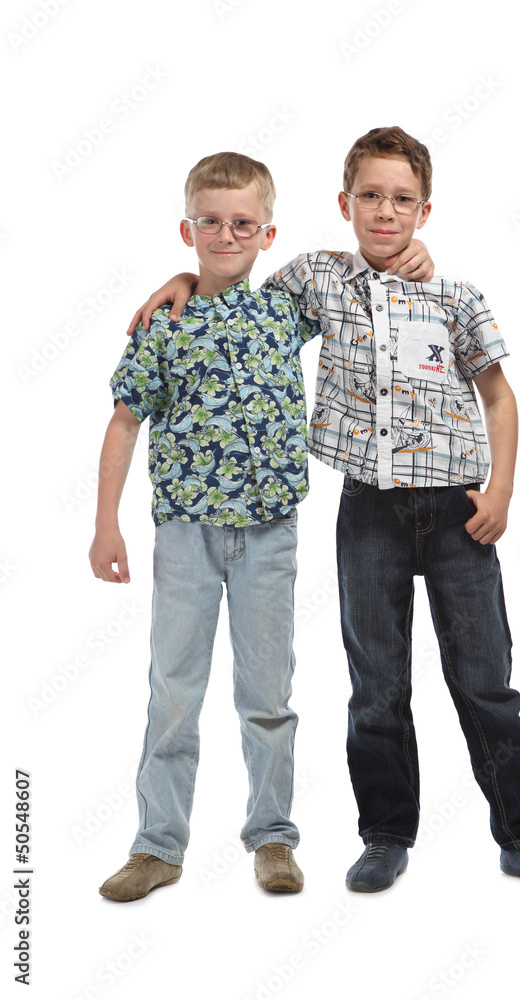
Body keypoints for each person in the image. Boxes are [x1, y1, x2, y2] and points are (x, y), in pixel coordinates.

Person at [127, 127, 520, 894]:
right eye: (369, 196)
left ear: (424, 211)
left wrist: (501, 490)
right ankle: (384, 836)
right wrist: (180, 276)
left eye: (401, 200)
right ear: (344, 204)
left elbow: (498, 396)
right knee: (376, 685)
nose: (384, 211)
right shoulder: (316, 279)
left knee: (484, 680)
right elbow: (236, 296)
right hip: (368, 512)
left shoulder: (454, 297)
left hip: (457, 513)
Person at [90, 151, 317, 900]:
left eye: (243, 223)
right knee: (174, 691)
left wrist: (419, 252)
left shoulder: (285, 310)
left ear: (268, 232)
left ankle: (273, 836)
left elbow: (363, 273)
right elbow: (125, 421)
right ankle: (157, 846)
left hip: (269, 533)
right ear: (187, 229)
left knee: (267, 694)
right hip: (186, 533)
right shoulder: (166, 323)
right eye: (210, 222)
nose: (226, 235)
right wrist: (106, 524)